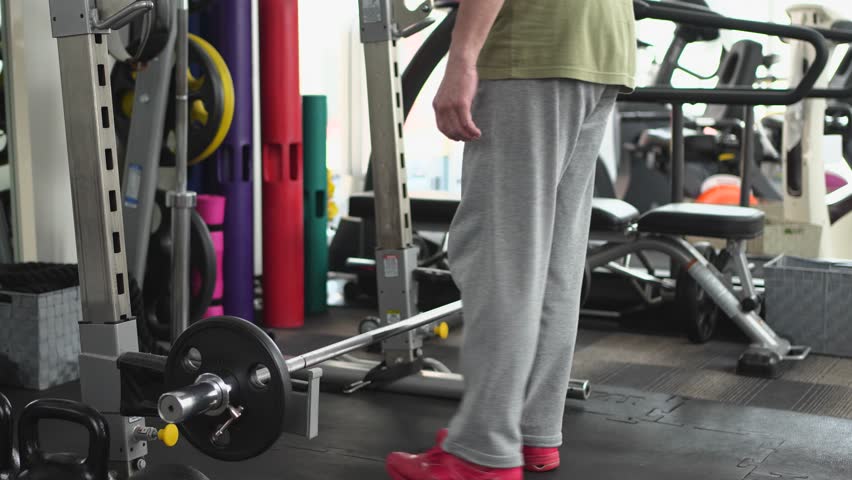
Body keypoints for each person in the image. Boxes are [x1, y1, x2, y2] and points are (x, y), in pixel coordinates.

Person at [386, 0, 637, 479]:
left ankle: (483, 450)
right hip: (603, 46)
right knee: (553, 262)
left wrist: (461, 59)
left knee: (502, 258)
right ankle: (530, 432)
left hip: (531, 47)